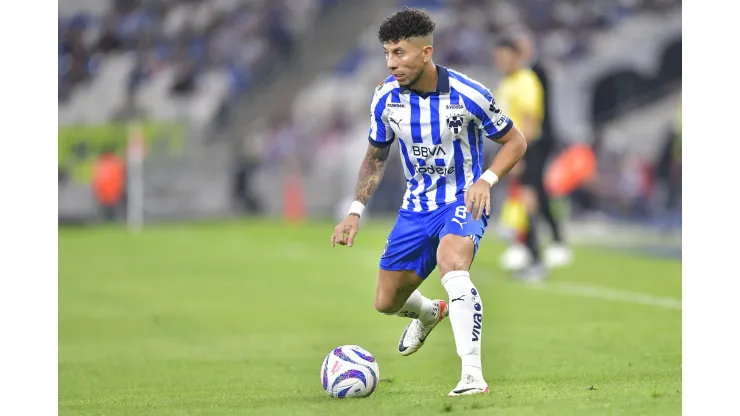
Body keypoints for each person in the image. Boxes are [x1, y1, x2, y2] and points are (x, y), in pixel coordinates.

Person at [330, 8, 527, 397]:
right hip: (416, 207)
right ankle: (428, 311)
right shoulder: (386, 98)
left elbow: (515, 140)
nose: (392, 63)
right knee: (386, 301)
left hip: (462, 198)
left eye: (400, 53)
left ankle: (472, 376)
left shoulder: (469, 94)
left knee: (452, 264)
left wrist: (486, 181)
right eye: (387, 53)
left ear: (426, 52)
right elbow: (375, 156)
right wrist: (355, 212)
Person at [492, 36, 567, 281]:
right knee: (523, 199)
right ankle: (528, 252)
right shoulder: (508, 82)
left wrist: (518, 155)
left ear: (516, 56)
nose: (501, 62)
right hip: (514, 150)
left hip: (526, 149)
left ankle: (536, 258)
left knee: (529, 199)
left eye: (504, 56)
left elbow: (529, 121)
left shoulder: (526, 80)